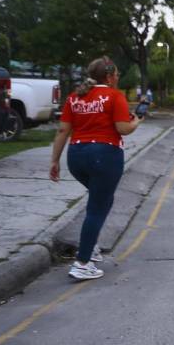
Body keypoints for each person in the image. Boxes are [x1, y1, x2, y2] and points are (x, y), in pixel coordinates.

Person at [48, 57, 141, 280]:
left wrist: (55, 160)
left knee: (101, 200)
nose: (118, 77)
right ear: (109, 76)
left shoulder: (75, 97)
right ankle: (82, 262)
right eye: (116, 74)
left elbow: (63, 131)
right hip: (105, 156)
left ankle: (91, 247)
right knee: (97, 207)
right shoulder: (114, 96)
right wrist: (136, 122)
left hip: (76, 157)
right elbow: (123, 128)